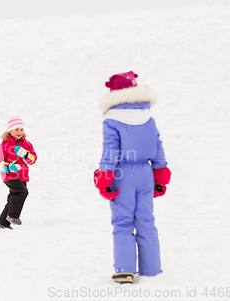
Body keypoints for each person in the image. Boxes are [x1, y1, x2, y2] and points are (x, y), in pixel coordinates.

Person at [94, 71, 171, 284]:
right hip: (145, 174)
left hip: (122, 174)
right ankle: (152, 268)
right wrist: (160, 174)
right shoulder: (148, 118)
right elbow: (157, 148)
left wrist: (105, 176)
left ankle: (125, 269)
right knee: (146, 220)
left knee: (123, 222)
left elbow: (111, 150)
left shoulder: (112, 121)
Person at [0, 115, 37, 229]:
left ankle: (2, 223)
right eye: (16, 129)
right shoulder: (3, 146)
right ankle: (12, 216)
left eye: (21, 129)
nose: (19, 132)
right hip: (9, 176)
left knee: (13, 198)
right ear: (9, 131)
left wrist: (25, 154)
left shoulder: (27, 145)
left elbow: (33, 160)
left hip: (22, 176)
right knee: (22, 192)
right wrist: (9, 167)